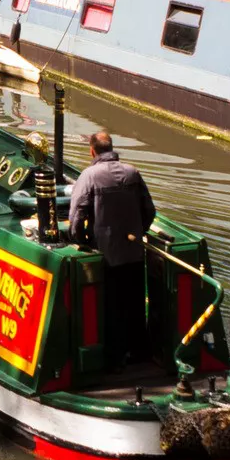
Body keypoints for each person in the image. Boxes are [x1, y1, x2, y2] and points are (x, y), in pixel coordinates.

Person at [66, 131, 157, 365]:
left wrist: (83, 240)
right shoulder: (132, 173)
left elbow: (76, 217)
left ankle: (114, 360)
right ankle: (141, 354)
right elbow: (150, 211)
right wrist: (139, 233)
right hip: (134, 251)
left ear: (92, 151)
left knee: (112, 306)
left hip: (107, 255)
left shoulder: (89, 176)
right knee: (135, 304)